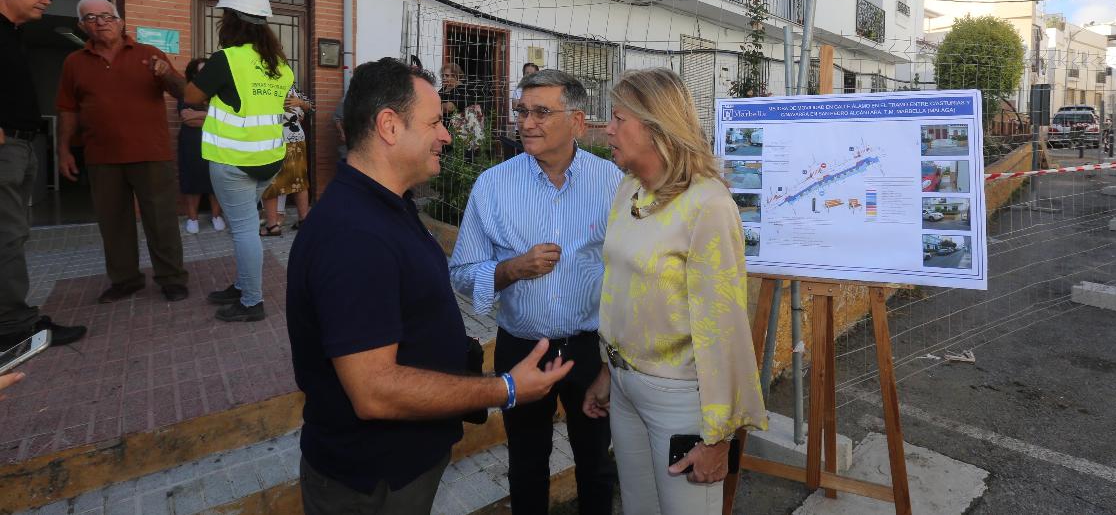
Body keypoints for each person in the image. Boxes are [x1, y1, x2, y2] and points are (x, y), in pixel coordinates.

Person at [286, 57, 574, 515]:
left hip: (398, 467)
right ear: (389, 126)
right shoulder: (353, 235)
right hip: (373, 481)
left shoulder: (388, 206)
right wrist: (505, 389)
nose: (447, 135)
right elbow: (374, 390)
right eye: (435, 122)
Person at [582, 68, 766, 515]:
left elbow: (723, 328)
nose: (607, 129)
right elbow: (621, 289)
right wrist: (608, 369)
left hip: (678, 397)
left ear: (655, 127)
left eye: (619, 118)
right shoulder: (629, 189)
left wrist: (718, 438)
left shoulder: (708, 205)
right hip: (624, 385)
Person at [450, 69, 623, 515]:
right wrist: (510, 269)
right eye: (522, 111)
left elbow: (629, 270)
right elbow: (462, 273)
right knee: (526, 466)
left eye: (541, 112)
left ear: (577, 121)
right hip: (521, 348)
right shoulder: (493, 185)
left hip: (589, 350)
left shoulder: (611, 182)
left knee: (597, 463)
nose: (526, 123)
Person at [56, 0, 190, 304]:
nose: (100, 22)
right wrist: (63, 149)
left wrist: (166, 74)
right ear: (81, 26)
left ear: (121, 22)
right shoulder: (74, 62)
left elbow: (183, 91)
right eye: (91, 18)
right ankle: (125, 280)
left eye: (107, 16)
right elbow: (67, 109)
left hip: (151, 153)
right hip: (101, 156)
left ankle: (171, 278)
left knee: (161, 221)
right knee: (113, 223)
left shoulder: (149, 53)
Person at [183, 0, 293, 323]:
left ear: (231, 20)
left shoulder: (227, 59)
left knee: (244, 230)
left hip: (234, 161)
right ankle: (243, 284)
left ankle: (251, 302)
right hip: (269, 160)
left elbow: (190, 96)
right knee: (244, 224)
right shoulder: (281, 65)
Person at [0, 0, 86, 349]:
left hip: (21, 144)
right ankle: (13, 327)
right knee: (6, 237)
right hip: (6, 148)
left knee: (13, 235)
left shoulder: (13, 35)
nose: (47, 0)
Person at [177, 58, 225, 235]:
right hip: (192, 142)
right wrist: (214, 116)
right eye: (201, 72)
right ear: (193, 75)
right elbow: (187, 118)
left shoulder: (220, 92)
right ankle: (192, 219)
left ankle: (216, 216)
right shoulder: (187, 92)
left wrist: (199, 114)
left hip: (216, 141)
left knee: (216, 178)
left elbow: (225, 118)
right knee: (192, 179)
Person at [260, 86, 315, 235]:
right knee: (272, 180)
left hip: (291, 138)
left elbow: (312, 108)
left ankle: (298, 221)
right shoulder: (263, 84)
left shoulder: (292, 87)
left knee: (297, 181)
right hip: (272, 139)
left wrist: (301, 103)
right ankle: (274, 224)